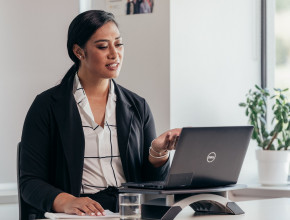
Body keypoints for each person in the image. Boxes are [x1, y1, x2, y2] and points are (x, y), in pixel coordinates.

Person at [19, 10, 181, 219]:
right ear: (79, 52)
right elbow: (30, 182)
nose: (114, 54)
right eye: (103, 46)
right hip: (79, 215)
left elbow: (152, 185)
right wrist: (67, 201)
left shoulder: (137, 106)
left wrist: (158, 153)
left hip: (128, 212)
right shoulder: (46, 106)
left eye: (119, 44)